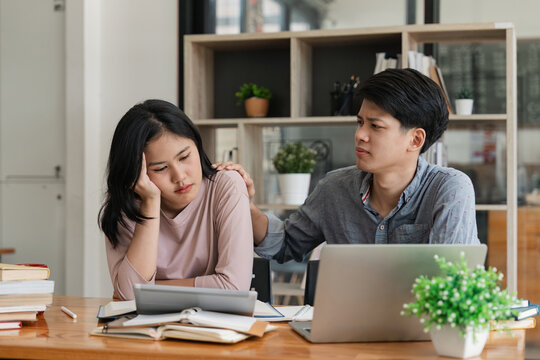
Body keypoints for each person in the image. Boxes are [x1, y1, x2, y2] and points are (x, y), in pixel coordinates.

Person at [213, 68, 480, 264]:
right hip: (346, 331)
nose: (360, 135)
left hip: (422, 334)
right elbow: (285, 245)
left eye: (375, 126)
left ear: (415, 139)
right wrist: (245, 204)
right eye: (360, 122)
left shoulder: (450, 188)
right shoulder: (335, 188)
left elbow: (452, 280)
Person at [99, 99, 253, 300]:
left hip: (215, 327)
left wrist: (149, 291)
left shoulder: (226, 186)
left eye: (184, 157)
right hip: (147, 328)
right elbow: (129, 295)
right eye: (160, 168)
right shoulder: (124, 209)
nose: (179, 176)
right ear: (136, 172)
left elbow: (234, 288)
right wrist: (151, 203)